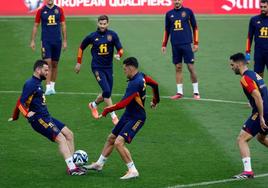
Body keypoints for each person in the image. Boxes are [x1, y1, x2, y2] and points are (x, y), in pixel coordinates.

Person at [82, 57, 160, 179]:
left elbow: (122, 104)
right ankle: (99, 164)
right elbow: (155, 85)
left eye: (125, 69)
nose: (124, 72)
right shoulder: (142, 76)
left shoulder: (135, 83)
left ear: (130, 68)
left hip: (137, 118)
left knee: (119, 142)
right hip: (128, 115)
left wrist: (107, 109)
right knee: (111, 138)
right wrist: (156, 100)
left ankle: (133, 170)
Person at [8, 60, 85, 176]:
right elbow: (20, 102)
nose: (48, 73)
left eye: (48, 70)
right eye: (45, 70)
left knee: (69, 134)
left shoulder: (37, 82)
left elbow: (21, 100)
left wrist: (14, 117)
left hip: (47, 117)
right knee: (61, 138)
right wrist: (25, 114)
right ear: (38, 70)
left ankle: (71, 165)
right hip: (39, 119)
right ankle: (72, 169)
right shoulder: (31, 84)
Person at [74, 15, 123, 125]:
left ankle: (93, 105)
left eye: (104, 24)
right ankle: (114, 116)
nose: (102, 26)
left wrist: (119, 54)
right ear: (97, 24)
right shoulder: (92, 37)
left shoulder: (112, 35)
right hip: (97, 67)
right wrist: (78, 62)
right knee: (106, 91)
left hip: (109, 68)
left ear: (107, 24)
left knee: (107, 92)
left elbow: (120, 48)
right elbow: (81, 47)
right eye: (100, 24)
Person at [230, 53, 268, 179]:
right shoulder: (253, 74)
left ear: (239, 64)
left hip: (263, 111)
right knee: (261, 138)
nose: (231, 67)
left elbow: (257, 96)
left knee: (241, 139)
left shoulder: (245, 78)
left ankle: (248, 172)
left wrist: (261, 116)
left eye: (232, 65)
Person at [161, 0, 200, 100]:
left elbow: (195, 27)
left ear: (182, 1)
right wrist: (164, 44)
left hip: (186, 44)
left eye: (179, 0)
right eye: (175, 0)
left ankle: (196, 92)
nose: (177, 1)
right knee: (178, 67)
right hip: (175, 45)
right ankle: (179, 92)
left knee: (190, 67)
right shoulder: (169, 14)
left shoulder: (188, 12)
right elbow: (167, 30)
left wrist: (196, 43)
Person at [30, 0, 67, 95]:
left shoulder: (59, 10)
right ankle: (47, 87)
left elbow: (63, 25)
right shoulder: (41, 11)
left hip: (57, 41)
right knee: (47, 64)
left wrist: (65, 41)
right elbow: (35, 26)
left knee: (55, 64)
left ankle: (52, 87)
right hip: (46, 41)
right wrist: (33, 40)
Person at [246, 0, 268, 78]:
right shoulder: (254, 20)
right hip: (259, 54)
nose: (263, 9)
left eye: (265, 7)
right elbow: (249, 37)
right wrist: (247, 53)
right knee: (258, 78)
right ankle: (261, 90)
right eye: (261, 7)